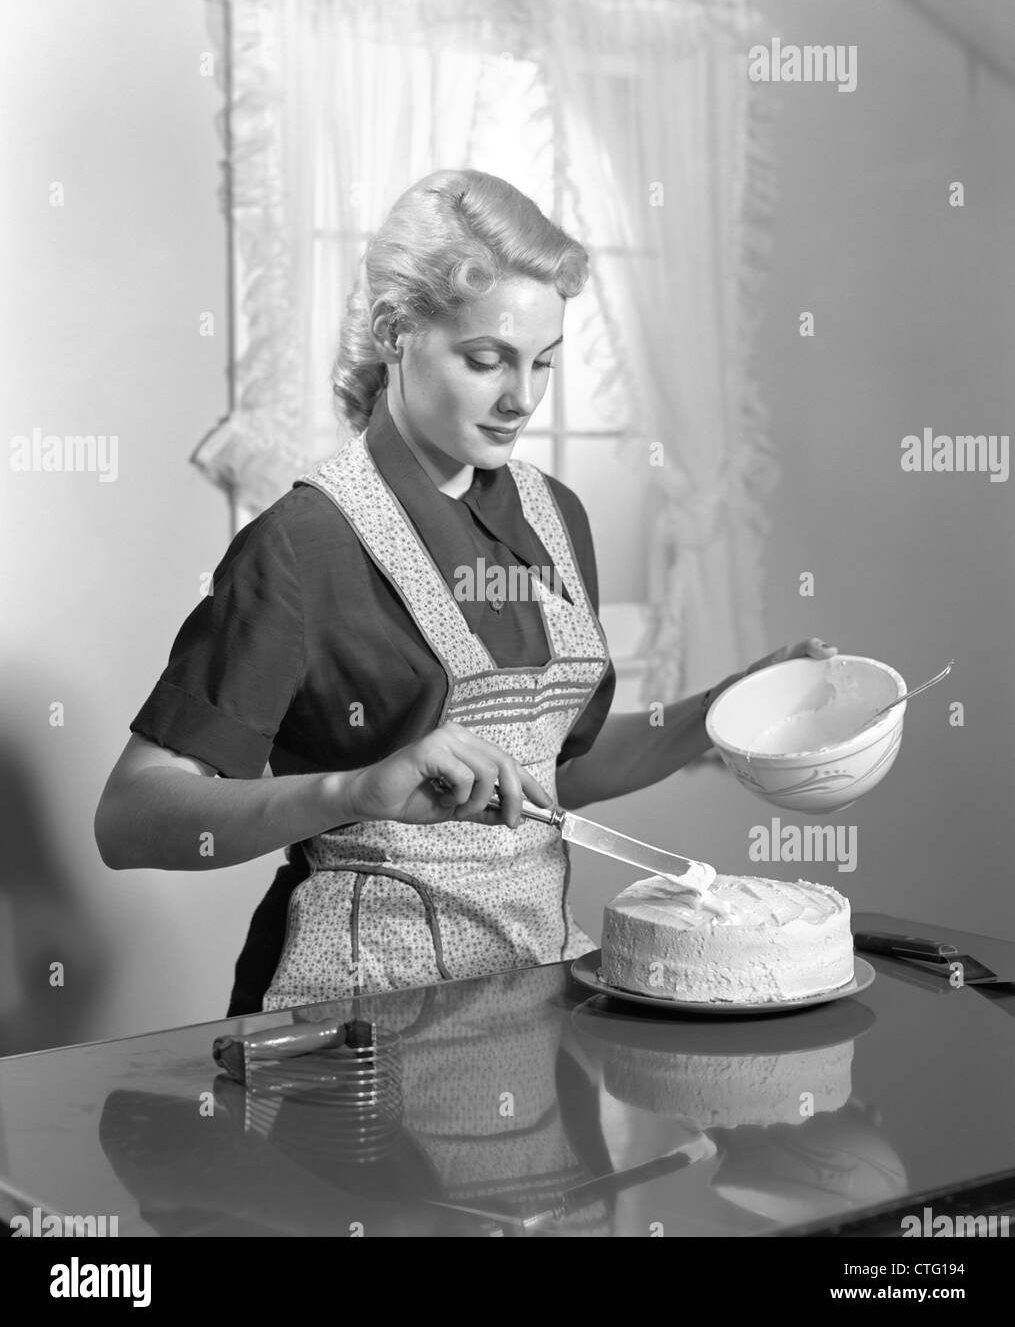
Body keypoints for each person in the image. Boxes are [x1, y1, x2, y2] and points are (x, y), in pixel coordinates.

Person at [94, 168, 836, 1016]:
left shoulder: (556, 517)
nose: (520, 398)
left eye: (543, 363)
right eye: (486, 360)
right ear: (393, 332)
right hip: (354, 1012)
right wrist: (350, 792)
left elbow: (555, 772)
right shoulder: (305, 547)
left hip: (536, 987)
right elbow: (128, 819)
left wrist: (718, 709)